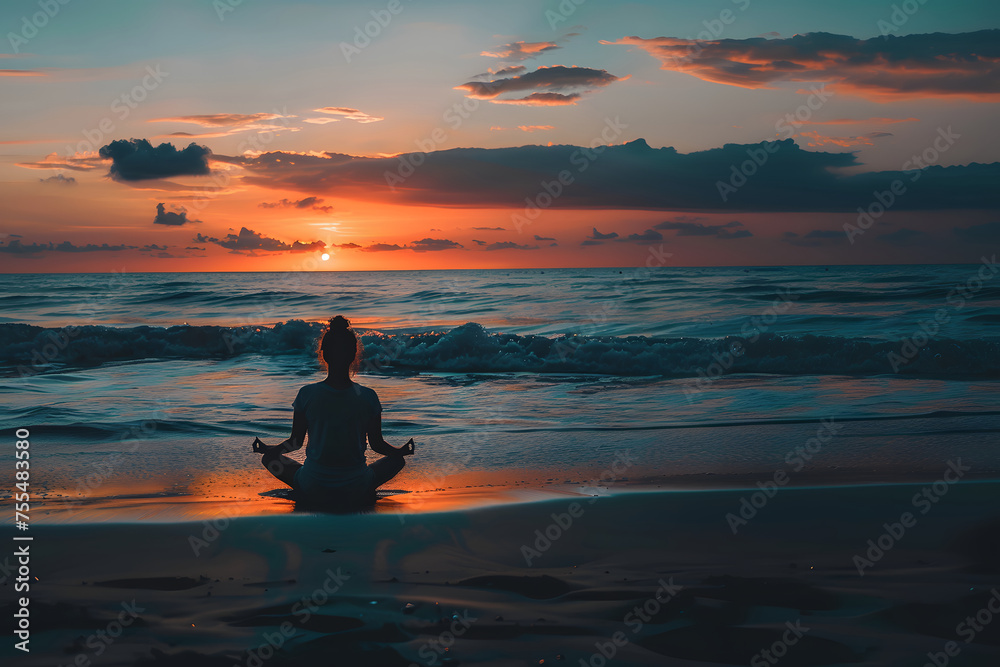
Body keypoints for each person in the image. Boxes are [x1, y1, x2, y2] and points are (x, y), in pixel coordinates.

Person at [252, 315, 413, 508]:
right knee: (397, 461)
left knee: (269, 458)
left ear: (324, 354)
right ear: (354, 354)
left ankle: (311, 487)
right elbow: (377, 445)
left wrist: (269, 449)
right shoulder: (368, 396)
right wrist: (399, 451)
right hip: (357, 486)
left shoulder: (306, 394)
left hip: (313, 485)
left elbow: (295, 443)